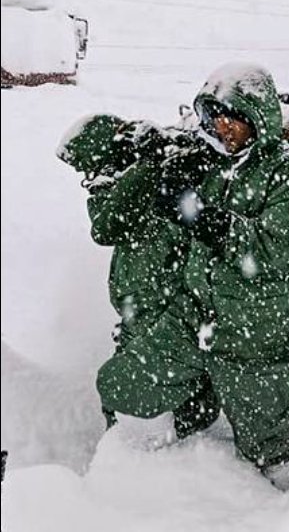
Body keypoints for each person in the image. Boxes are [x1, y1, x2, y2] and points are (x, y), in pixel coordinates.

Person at [95, 63, 289, 490]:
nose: (221, 126)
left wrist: (201, 216)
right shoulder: (209, 163)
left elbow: (272, 251)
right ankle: (149, 452)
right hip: (192, 318)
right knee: (121, 385)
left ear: (257, 117)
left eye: (230, 115)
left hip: (255, 335)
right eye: (212, 115)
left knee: (271, 453)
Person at [58, 114, 222, 437]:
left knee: (121, 390)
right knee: (119, 401)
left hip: (174, 331)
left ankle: (182, 444)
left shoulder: (154, 193)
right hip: (145, 328)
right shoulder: (129, 194)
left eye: (93, 171)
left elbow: (107, 228)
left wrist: (149, 164)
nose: (90, 182)